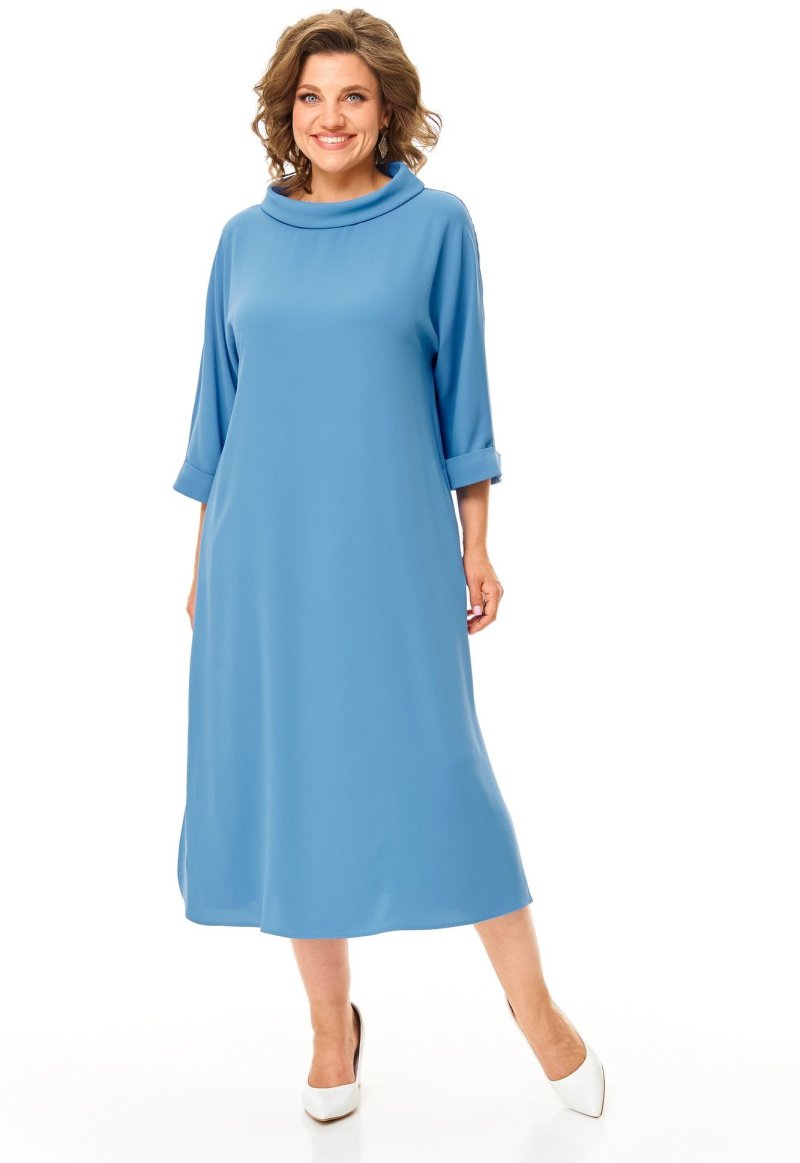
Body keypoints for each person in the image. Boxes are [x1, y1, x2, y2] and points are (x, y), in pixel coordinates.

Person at [172, 7, 605, 1123]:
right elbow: (218, 417)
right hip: (263, 556)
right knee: (298, 785)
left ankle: (536, 1010)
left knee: (445, 773)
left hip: (390, 544)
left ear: (388, 109)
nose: (330, 117)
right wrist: (204, 562)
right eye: (310, 97)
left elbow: (465, 399)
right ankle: (332, 1031)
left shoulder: (436, 226)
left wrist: (476, 541)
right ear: (285, 112)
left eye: (352, 97)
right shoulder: (243, 239)